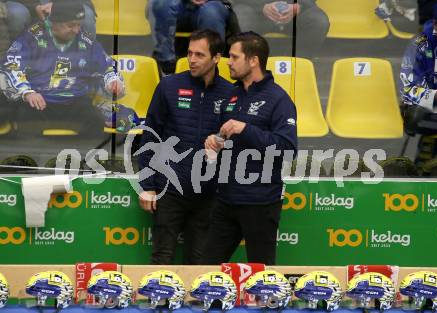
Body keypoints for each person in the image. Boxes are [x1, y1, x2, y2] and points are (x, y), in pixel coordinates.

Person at [137, 29, 235, 265]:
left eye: (199, 55)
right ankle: (160, 302)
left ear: (216, 58)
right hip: (169, 188)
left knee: (200, 264)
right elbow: (150, 137)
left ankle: (195, 303)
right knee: (161, 259)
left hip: (209, 193)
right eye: (189, 53)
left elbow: (235, 146)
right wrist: (147, 185)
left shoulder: (231, 93)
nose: (192, 59)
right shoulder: (169, 86)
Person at [202, 32, 297, 265]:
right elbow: (224, 136)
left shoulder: (279, 99)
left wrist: (245, 129)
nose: (229, 62)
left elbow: (287, 149)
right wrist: (214, 141)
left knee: (261, 274)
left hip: (261, 203)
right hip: (225, 199)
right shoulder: (231, 96)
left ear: (253, 60)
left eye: (234, 57)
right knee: (204, 270)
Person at [0, 0, 127, 136]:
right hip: (38, 102)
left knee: (96, 123)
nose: (76, 30)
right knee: (22, 122)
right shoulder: (32, 37)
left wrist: (113, 81)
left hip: (75, 102)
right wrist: (27, 92)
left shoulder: (85, 40)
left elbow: (107, 65)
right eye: (71, 25)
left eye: (79, 25)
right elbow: (10, 65)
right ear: (55, 22)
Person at [147, 0, 239, 75]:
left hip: (214, 3)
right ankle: (167, 66)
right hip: (178, 4)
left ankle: (213, 67)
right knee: (160, 4)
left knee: (210, 14)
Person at [399, 2, 437, 168]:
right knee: (418, 112)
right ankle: (425, 165)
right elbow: (408, 91)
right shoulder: (420, 45)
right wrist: (435, 95)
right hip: (425, 109)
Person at [233, 0, 329, 58]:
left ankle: (296, 64)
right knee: (239, 18)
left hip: (296, 11)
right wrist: (262, 7)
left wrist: (298, 5)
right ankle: (248, 66)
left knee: (319, 21)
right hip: (254, 9)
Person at [6, 0, 96, 39]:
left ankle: (89, 59)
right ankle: (14, 59)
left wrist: (58, 5)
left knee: (87, 15)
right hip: (22, 2)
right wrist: (35, 6)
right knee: (17, 14)